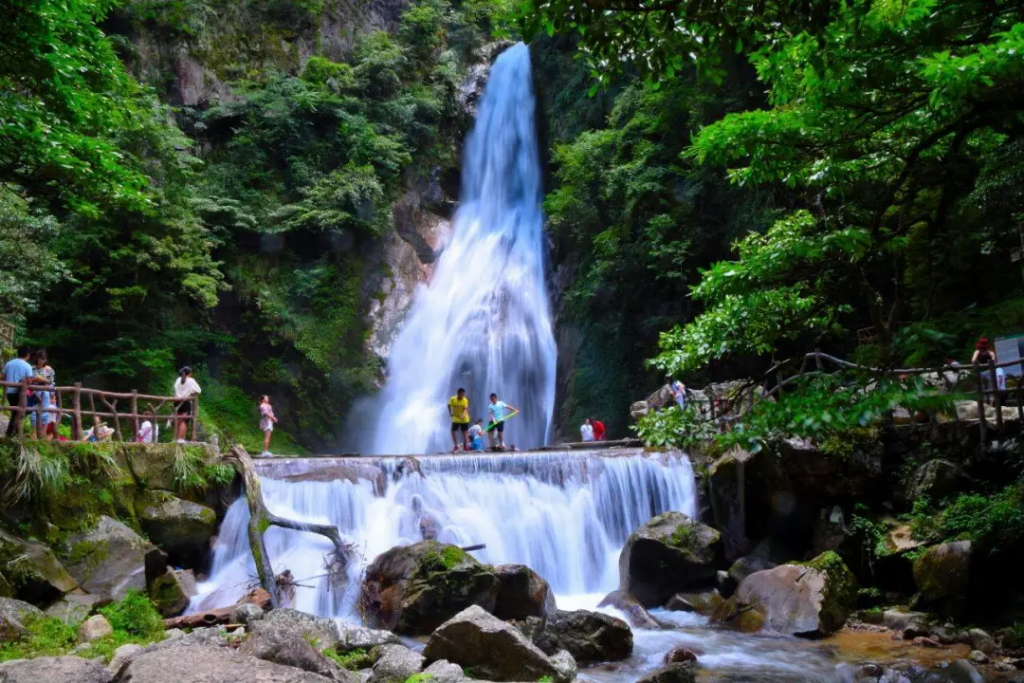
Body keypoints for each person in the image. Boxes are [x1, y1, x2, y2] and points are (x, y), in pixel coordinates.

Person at [3, 346, 33, 438]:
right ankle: (13, 433)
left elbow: (2, 377)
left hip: (9, 392)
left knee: (15, 412)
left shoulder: (9, 364)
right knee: (22, 411)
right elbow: (29, 381)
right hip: (20, 393)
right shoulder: (27, 366)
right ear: (28, 355)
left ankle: (11, 433)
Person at [29, 349, 57, 440]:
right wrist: (34, 380)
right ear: (36, 358)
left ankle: (42, 434)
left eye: (43, 359)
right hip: (34, 392)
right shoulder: (31, 369)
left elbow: (52, 384)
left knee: (45, 412)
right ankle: (33, 433)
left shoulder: (49, 370)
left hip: (45, 393)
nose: (41, 361)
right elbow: (27, 381)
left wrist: (52, 396)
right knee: (34, 412)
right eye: (40, 358)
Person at [173, 366, 202, 443]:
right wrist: (190, 392)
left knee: (178, 420)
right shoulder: (191, 380)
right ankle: (180, 439)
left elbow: (174, 388)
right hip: (185, 402)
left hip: (176, 401)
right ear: (189, 373)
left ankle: (176, 439)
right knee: (183, 421)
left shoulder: (178, 379)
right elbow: (199, 390)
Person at [972, 338, 998, 403]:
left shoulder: (977, 352)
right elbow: (994, 361)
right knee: (990, 388)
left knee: (982, 388)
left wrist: (979, 364)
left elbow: (973, 360)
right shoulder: (990, 352)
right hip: (989, 372)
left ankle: (984, 403)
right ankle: (991, 403)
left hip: (980, 372)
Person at [448, 387, 470, 452]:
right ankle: (456, 446)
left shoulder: (465, 400)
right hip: (456, 418)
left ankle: (466, 447)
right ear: (458, 393)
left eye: (463, 394)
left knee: (465, 433)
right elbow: (448, 405)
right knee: (453, 431)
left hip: (464, 419)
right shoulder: (452, 399)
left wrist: (463, 415)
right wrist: (450, 412)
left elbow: (465, 409)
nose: (463, 395)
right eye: (461, 394)